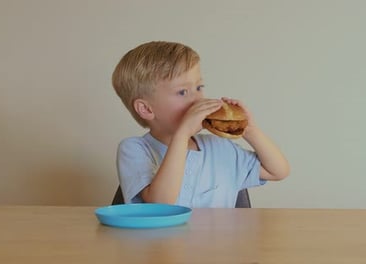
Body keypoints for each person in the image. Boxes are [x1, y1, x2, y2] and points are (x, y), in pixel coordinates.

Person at [111, 41, 290, 207]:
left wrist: (250, 130)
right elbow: (160, 204)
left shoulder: (220, 147)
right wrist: (182, 135)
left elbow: (278, 171)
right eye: (183, 92)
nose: (198, 99)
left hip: (219, 241)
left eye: (199, 87)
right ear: (147, 109)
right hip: (160, 242)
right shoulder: (134, 149)